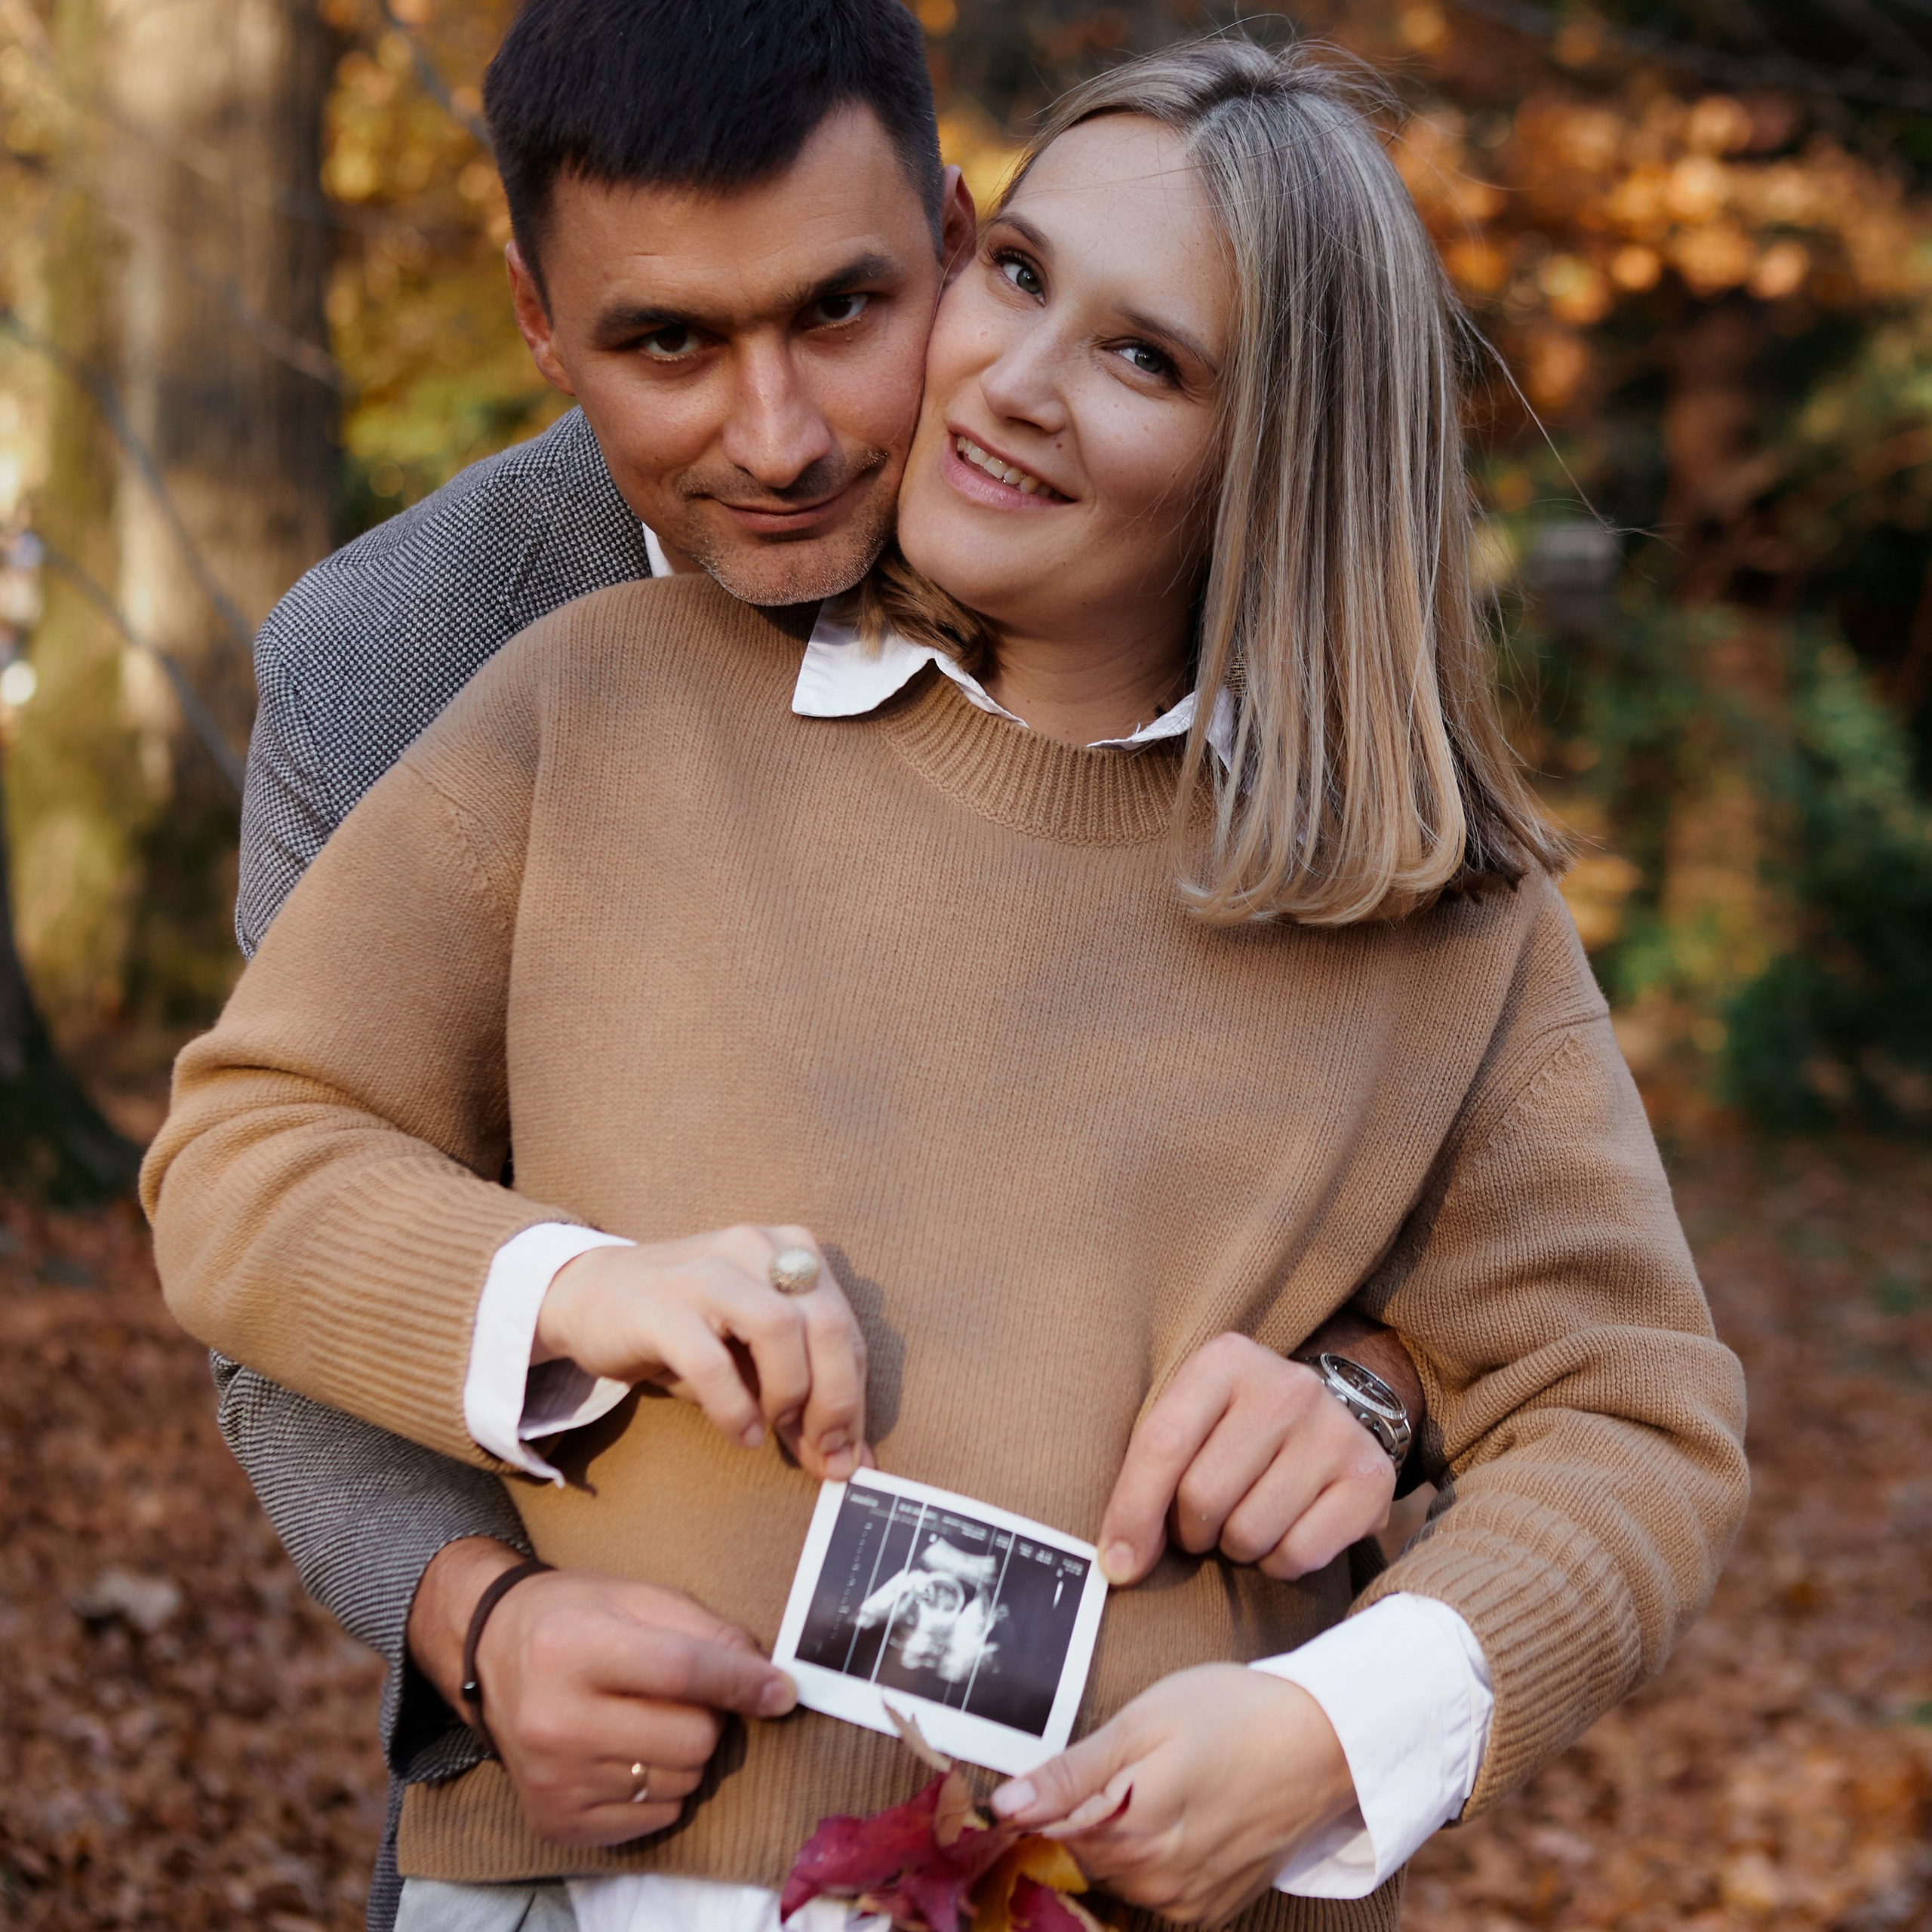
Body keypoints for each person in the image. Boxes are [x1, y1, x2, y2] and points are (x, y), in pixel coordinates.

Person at [147, 31, 1749, 1932]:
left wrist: (1334, 1715)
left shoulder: (1428, 903)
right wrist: (540, 1398)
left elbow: (1622, 1407)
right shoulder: (572, 685)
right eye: (1023, 283)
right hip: (608, 1864)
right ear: (542, 322)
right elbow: (258, 1155)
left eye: (1144, 357)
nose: (1006, 382)